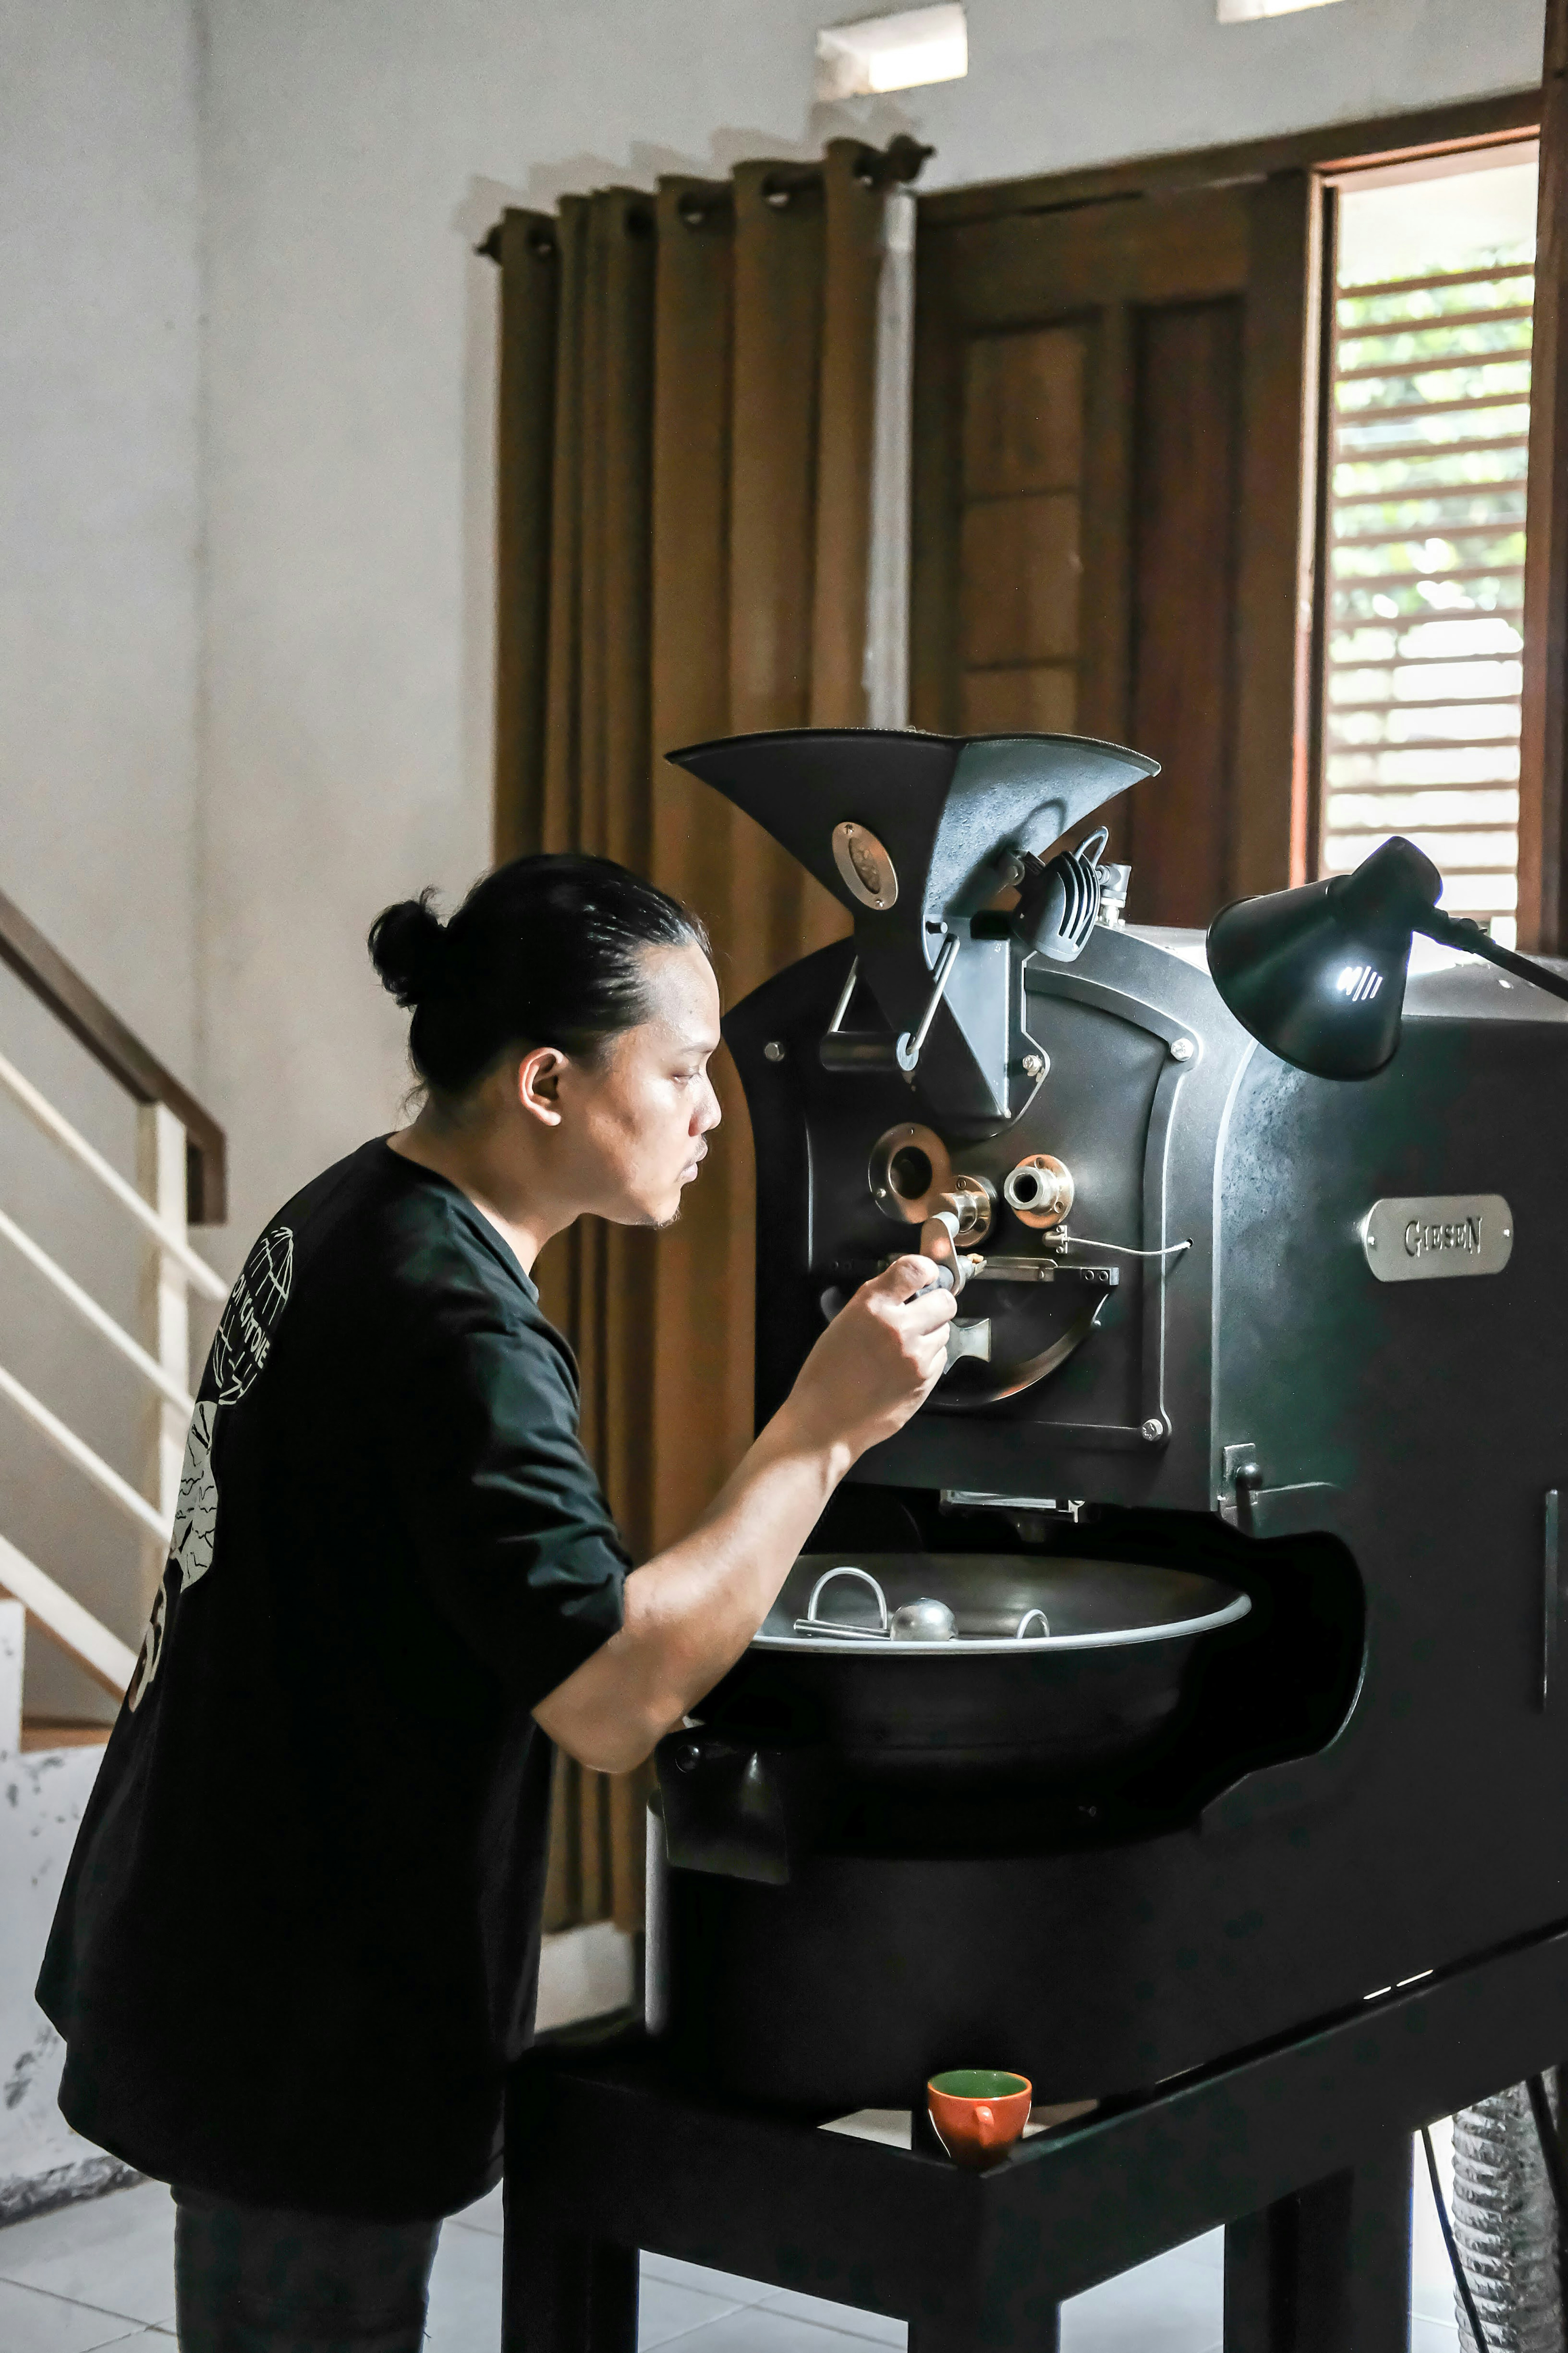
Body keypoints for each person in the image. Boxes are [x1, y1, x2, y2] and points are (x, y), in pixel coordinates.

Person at [37, 850, 955, 2353]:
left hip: (222, 1932)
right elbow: (609, 1697)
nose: (714, 1110)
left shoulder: (348, 1209)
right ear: (547, 1084)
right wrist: (824, 1428)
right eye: (681, 1069)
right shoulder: (448, 1313)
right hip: (302, 1999)